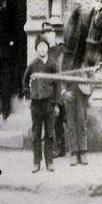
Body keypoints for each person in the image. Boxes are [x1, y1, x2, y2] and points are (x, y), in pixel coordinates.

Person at [22, 36, 59, 173]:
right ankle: (36, 162)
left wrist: (56, 103)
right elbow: (25, 81)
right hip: (36, 105)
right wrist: (27, 97)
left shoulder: (53, 64)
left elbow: (58, 85)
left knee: (49, 134)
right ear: (36, 49)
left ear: (47, 48)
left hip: (49, 104)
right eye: (39, 46)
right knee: (36, 134)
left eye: (44, 46)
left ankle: (49, 161)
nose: (42, 48)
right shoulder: (32, 65)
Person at [41, 21, 68, 158]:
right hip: (52, 92)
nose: (48, 34)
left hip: (64, 89)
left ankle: (76, 149)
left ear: (54, 34)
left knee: (68, 118)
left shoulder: (61, 49)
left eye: (50, 32)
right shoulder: (43, 53)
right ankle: (60, 148)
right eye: (45, 32)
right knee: (56, 121)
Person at [6, 0, 27, 101]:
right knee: (16, 59)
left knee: (26, 57)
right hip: (15, 31)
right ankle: (18, 87)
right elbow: (9, 15)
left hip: (26, 29)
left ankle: (25, 85)